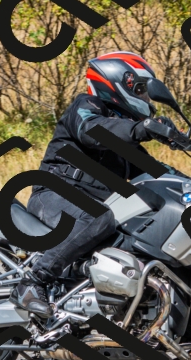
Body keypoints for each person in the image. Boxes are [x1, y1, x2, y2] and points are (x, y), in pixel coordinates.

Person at [9, 51, 179, 318]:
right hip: (52, 194)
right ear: (118, 82)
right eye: (141, 90)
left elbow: (156, 173)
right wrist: (141, 129)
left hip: (85, 205)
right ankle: (32, 282)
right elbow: (93, 131)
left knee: (134, 238)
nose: (146, 98)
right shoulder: (86, 106)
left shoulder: (125, 136)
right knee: (98, 217)